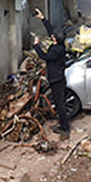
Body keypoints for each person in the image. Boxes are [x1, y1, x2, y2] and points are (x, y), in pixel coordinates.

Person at [32, 8, 70, 139]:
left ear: (55, 40)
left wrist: (36, 45)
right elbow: (51, 31)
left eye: (53, 37)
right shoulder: (60, 45)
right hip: (59, 78)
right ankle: (63, 125)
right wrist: (43, 18)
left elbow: (44, 56)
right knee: (60, 103)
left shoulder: (56, 51)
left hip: (56, 80)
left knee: (60, 105)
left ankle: (65, 128)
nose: (52, 35)